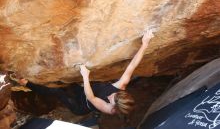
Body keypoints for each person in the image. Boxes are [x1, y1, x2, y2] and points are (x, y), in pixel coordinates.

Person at [17, 31, 154, 116]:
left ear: (114, 106)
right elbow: (132, 65)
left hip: (80, 105)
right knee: (66, 84)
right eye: (116, 94)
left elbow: (91, 97)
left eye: (113, 99)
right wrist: (145, 44)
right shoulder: (121, 86)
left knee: (59, 92)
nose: (112, 95)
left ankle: (27, 83)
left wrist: (85, 76)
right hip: (84, 91)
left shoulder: (108, 108)